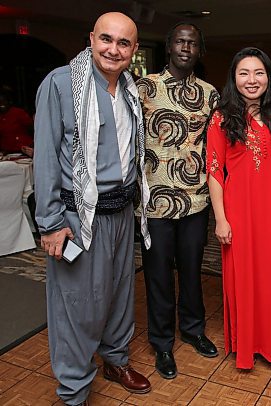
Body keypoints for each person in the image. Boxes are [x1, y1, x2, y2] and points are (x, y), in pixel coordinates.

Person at [34, 12, 152, 406]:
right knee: (77, 306)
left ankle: (115, 360)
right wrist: (50, 223)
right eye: (106, 39)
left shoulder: (130, 88)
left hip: (121, 211)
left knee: (119, 295)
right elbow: (47, 158)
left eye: (123, 43)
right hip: (77, 216)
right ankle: (74, 391)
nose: (113, 49)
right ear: (91, 38)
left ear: (134, 50)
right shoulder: (62, 84)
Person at [136, 22, 219, 380]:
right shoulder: (144, 87)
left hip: (195, 202)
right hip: (153, 202)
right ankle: (162, 343)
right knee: (157, 274)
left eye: (193, 43)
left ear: (199, 51)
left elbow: (214, 148)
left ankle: (193, 329)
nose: (186, 48)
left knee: (191, 269)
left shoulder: (210, 93)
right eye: (180, 42)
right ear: (169, 46)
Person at [206, 47, 271, 370]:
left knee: (270, 278)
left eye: (259, 73)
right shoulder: (221, 118)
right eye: (244, 73)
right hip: (237, 212)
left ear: (268, 77)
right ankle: (245, 345)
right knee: (241, 278)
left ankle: (269, 343)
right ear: (234, 78)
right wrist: (220, 218)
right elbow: (214, 169)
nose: (251, 80)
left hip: (270, 211)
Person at [0, 86, 34, 153]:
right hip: (6, 152)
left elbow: (32, 128)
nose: (1, 105)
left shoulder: (18, 113)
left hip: (23, 150)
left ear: (9, 102)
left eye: (3, 102)